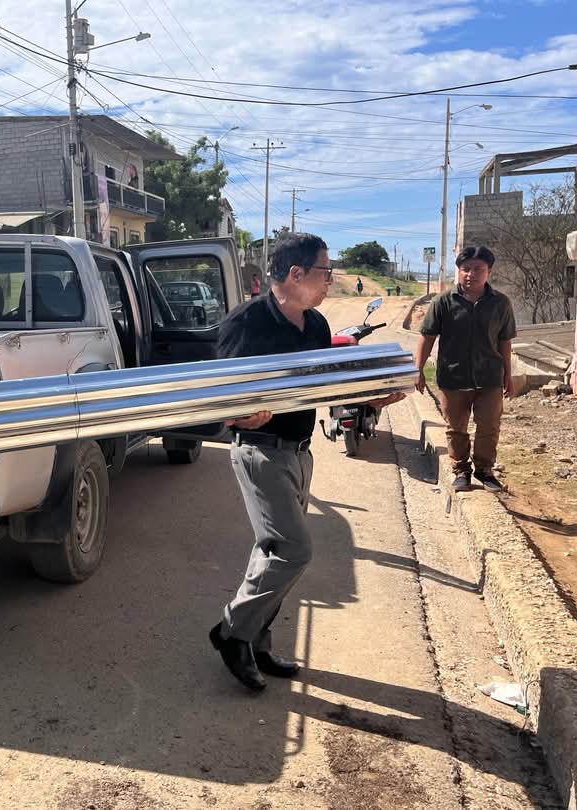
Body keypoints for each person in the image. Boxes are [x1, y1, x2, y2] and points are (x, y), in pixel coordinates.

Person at [209, 232, 400, 691]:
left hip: (299, 451)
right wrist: (238, 415)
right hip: (259, 451)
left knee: (270, 552)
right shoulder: (246, 323)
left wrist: (370, 398)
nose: (330, 280)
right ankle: (232, 632)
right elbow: (218, 393)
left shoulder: (314, 325)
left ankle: (256, 641)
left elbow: (323, 385)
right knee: (293, 550)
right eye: (325, 271)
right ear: (296, 274)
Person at [416, 245, 516, 493]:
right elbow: (427, 337)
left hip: (489, 378)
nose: (471, 274)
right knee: (456, 428)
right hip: (453, 378)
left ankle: (485, 470)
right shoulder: (443, 302)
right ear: (458, 271)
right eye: (466, 269)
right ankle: (461, 470)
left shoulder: (500, 303)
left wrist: (508, 374)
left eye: (478, 269)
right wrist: (418, 369)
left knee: (489, 426)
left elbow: (504, 341)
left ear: (489, 271)